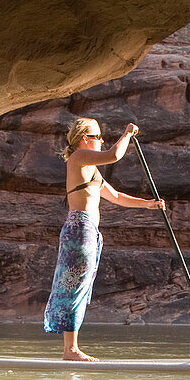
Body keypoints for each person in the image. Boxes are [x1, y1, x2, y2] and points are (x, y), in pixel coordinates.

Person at [44, 117, 165, 361]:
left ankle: (71, 349)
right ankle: (71, 350)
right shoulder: (78, 158)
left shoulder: (91, 170)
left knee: (80, 287)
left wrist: (149, 205)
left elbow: (117, 196)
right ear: (84, 139)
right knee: (74, 286)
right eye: (98, 136)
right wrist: (128, 133)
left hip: (88, 232)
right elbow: (114, 155)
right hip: (79, 230)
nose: (101, 140)